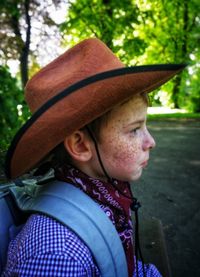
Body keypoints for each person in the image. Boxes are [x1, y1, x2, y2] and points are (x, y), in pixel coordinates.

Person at [3, 38, 185, 277]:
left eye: (145, 127)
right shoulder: (58, 256)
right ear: (80, 145)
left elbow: (119, 262)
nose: (151, 142)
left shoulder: (105, 196)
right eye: (134, 130)